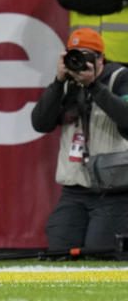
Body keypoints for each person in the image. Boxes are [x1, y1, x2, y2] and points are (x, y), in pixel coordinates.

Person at [31, 28, 128, 251]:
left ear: (101, 58)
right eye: (74, 55)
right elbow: (40, 123)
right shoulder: (66, 84)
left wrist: (94, 86)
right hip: (74, 191)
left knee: (99, 252)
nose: (80, 62)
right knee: (60, 250)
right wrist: (57, 82)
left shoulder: (119, 78)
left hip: (114, 192)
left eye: (87, 56)